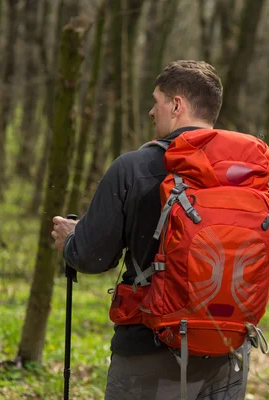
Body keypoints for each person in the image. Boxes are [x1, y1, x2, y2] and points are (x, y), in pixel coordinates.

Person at [51, 60, 247, 399]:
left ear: (176, 105)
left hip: (149, 350)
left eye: (156, 101)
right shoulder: (252, 177)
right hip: (227, 355)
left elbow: (93, 257)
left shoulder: (134, 167)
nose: (150, 111)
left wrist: (71, 239)